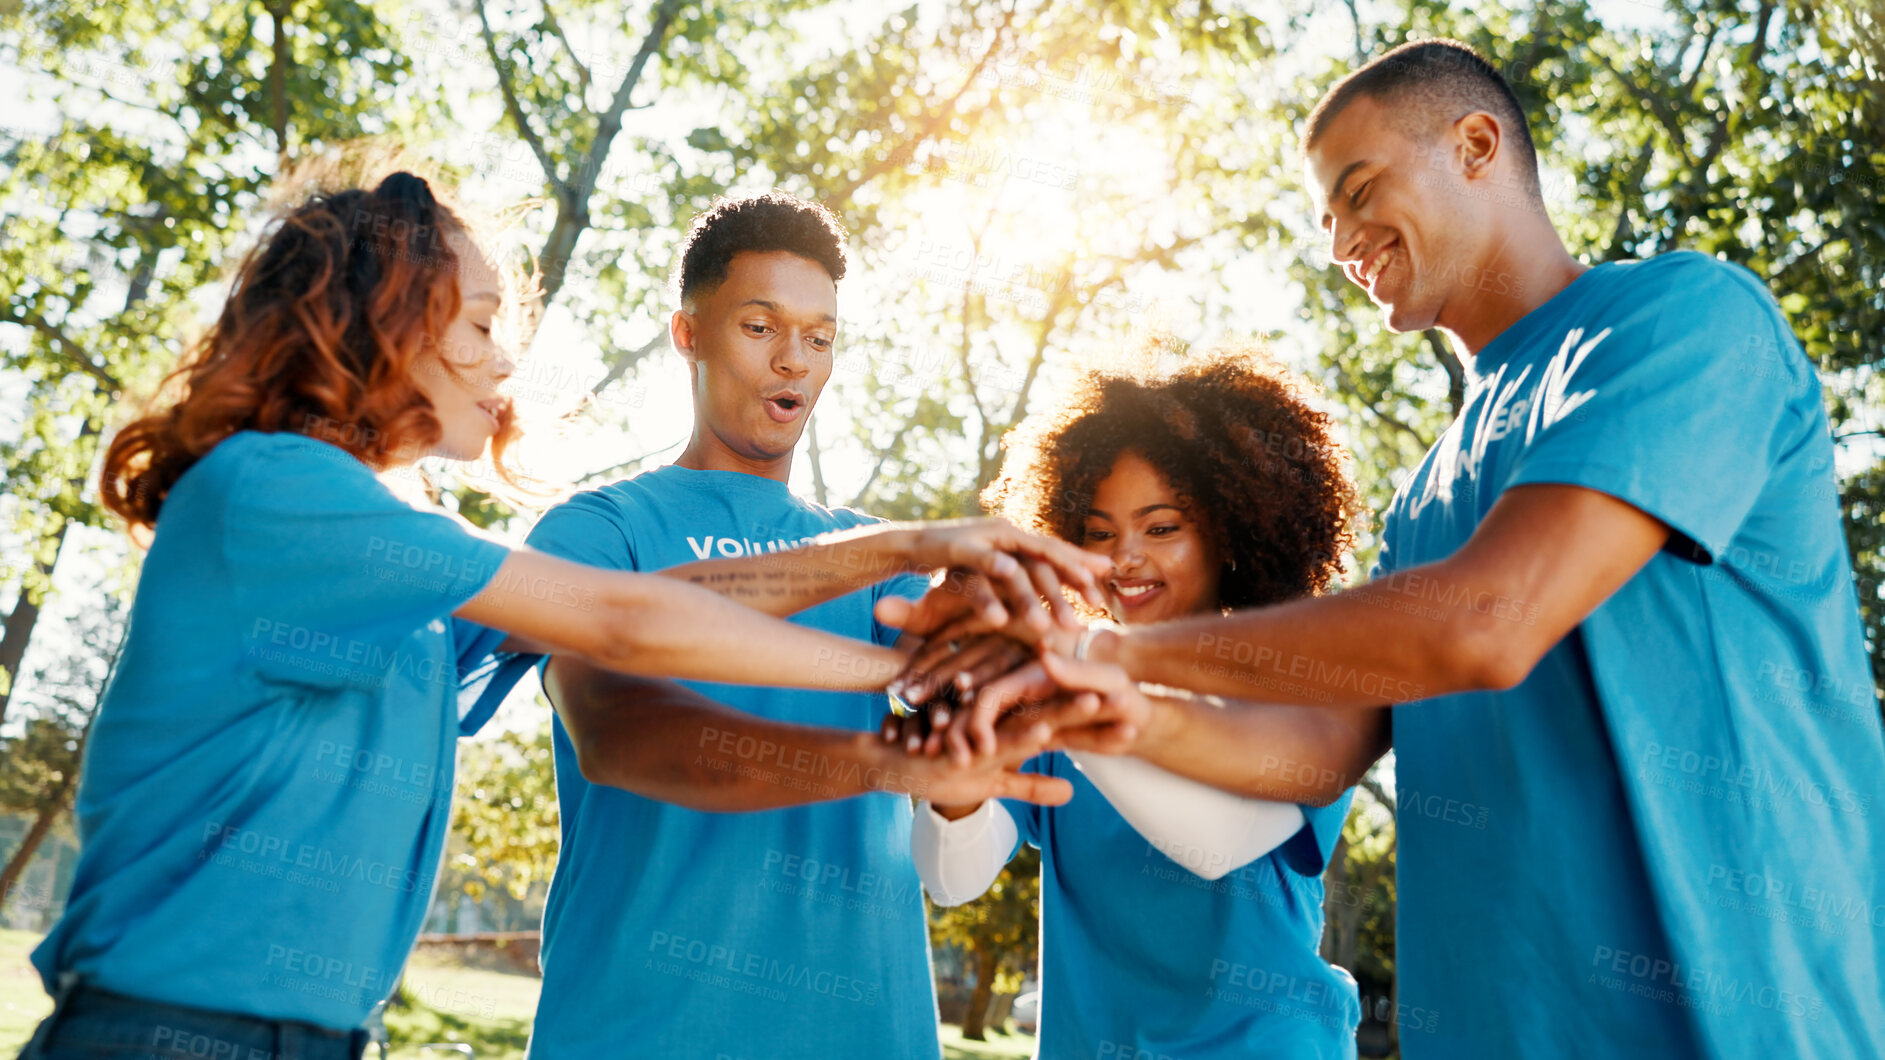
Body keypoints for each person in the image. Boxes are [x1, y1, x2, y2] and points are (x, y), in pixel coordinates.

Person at [894, 39, 1885, 1060]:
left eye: (1359, 190)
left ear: (1476, 144)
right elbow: (1313, 754)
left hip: (1745, 1020)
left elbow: (1487, 622)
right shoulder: (1425, 502)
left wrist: (1101, 653)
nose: (1341, 242)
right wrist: (1053, 683)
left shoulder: (1679, 319)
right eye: (1325, 219)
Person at [20, 169, 1095, 1060]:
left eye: (818, 334)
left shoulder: (399, 554)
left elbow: (641, 611)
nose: (503, 361)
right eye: (483, 322)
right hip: (172, 1032)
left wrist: (913, 601)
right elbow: (622, 634)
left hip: (304, 1036)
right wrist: (902, 614)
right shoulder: (282, 491)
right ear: (385, 318)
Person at [516, 190, 1101, 1060]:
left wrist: (976, 701)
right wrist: (894, 563)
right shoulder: (596, 532)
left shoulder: (891, 577)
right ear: (687, 334)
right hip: (638, 1030)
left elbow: (952, 810)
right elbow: (614, 738)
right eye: (760, 327)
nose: (793, 360)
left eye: (819, 338)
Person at [892, 349, 1374, 1058]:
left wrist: (1060, 676)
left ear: (1229, 528)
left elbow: (1215, 844)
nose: (1123, 559)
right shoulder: (1060, 684)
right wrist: (955, 783)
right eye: (1097, 532)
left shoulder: (1297, 676)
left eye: (1160, 528)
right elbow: (950, 879)